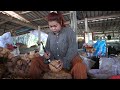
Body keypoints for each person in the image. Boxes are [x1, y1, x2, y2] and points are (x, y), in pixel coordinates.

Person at [29, 11, 87, 79]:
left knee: (80, 66)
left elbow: (72, 49)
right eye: (51, 26)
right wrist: (47, 55)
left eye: (55, 26)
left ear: (61, 23)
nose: (53, 28)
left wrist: (63, 62)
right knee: (35, 61)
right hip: (54, 63)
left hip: (69, 61)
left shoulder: (69, 31)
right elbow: (47, 49)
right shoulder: (50, 35)